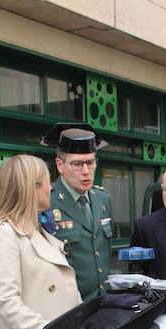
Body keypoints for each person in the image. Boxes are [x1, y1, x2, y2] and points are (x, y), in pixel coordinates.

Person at [0, 154, 82, 329]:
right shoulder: (2, 234)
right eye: (47, 182)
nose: (51, 188)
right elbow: (7, 304)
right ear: (32, 187)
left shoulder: (39, 231)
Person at [40, 122, 112, 301]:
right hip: (67, 308)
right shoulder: (45, 202)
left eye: (91, 162)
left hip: (104, 302)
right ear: (60, 165)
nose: (86, 171)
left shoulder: (103, 198)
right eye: (77, 164)